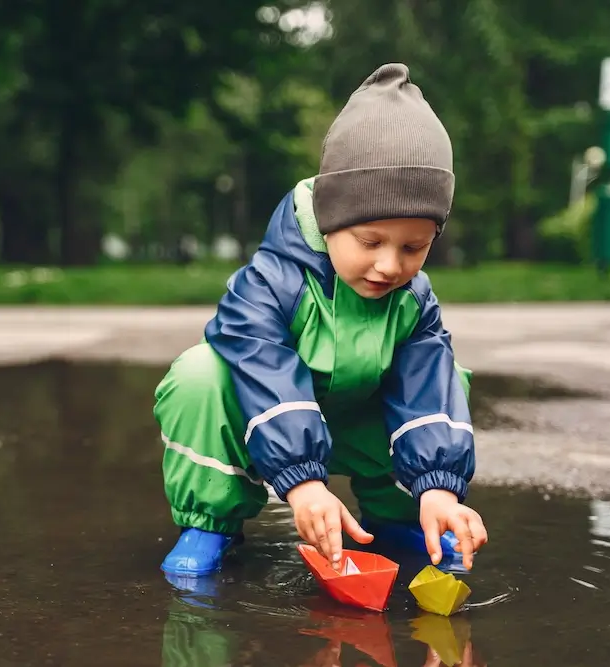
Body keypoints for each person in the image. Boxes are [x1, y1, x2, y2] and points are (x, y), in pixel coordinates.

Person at [153, 63, 488, 579]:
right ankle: (210, 522)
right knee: (199, 375)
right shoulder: (269, 283)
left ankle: (402, 515)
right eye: (371, 242)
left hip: (354, 424)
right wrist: (305, 483)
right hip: (270, 422)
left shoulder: (413, 300)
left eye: (414, 247)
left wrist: (440, 485)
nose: (390, 265)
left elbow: (427, 391)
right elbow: (264, 371)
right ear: (331, 220)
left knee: (448, 375)